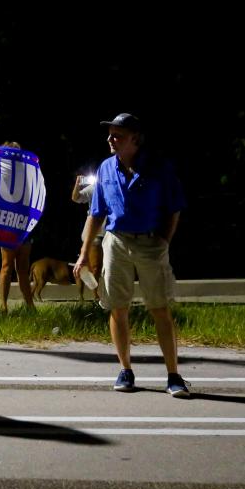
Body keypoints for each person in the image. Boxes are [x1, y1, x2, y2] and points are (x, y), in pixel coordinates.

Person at [73, 112, 189, 397]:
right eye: (110, 134)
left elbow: (175, 207)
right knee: (117, 307)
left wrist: (163, 241)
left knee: (159, 307)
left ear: (135, 139)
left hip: (150, 243)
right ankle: (125, 370)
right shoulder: (105, 168)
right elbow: (96, 213)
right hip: (116, 242)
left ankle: (174, 375)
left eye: (118, 135)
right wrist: (84, 253)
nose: (110, 139)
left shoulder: (159, 167)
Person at [0, 141, 36, 313]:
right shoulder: (1, 173)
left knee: (23, 268)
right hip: (7, 224)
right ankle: (3, 306)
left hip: (24, 226)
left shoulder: (28, 173)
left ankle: (29, 306)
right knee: (7, 266)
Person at [71, 170, 105, 306]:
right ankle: (95, 296)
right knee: (94, 266)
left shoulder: (117, 185)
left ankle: (106, 296)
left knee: (107, 267)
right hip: (95, 233)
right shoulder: (95, 188)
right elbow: (76, 198)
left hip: (113, 232)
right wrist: (78, 184)